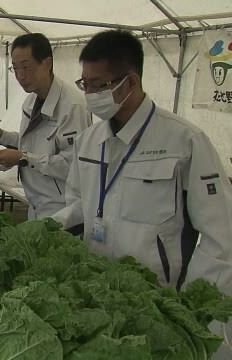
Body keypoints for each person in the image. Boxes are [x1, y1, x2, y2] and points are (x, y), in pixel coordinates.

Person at [52, 29, 232, 294]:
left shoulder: (185, 142)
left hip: (158, 297)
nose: (89, 94)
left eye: (99, 85)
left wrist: (193, 301)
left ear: (131, 83)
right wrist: (44, 227)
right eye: (85, 84)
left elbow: (220, 234)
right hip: (98, 289)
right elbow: (78, 205)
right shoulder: (88, 141)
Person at [0, 33, 92, 220]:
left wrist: (23, 158)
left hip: (64, 208)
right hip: (36, 203)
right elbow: (31, 143)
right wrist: (1, 136)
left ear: (47, 63)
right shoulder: (31, 101)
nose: (21, 76)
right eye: (16, 69)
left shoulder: (72, 106)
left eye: (26, 67)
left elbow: (73, 165)